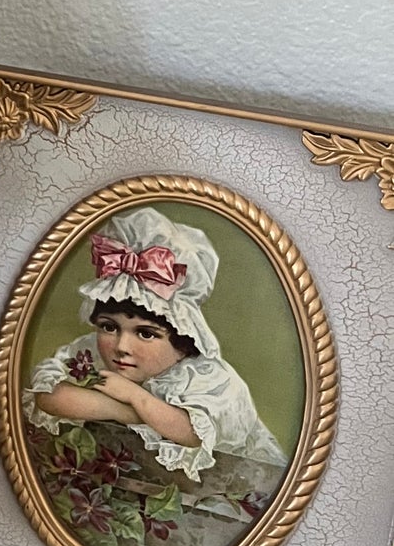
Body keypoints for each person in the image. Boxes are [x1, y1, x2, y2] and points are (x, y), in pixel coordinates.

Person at [24, 206, 286, 484]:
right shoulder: (88, 353)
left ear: (184, 342)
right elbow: (48, 396)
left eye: (146, 334)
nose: (121, 346)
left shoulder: (210, 378)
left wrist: (135, 396)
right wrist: (125, 410)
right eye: (109, 327)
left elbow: (191, 432)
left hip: (228, 491)